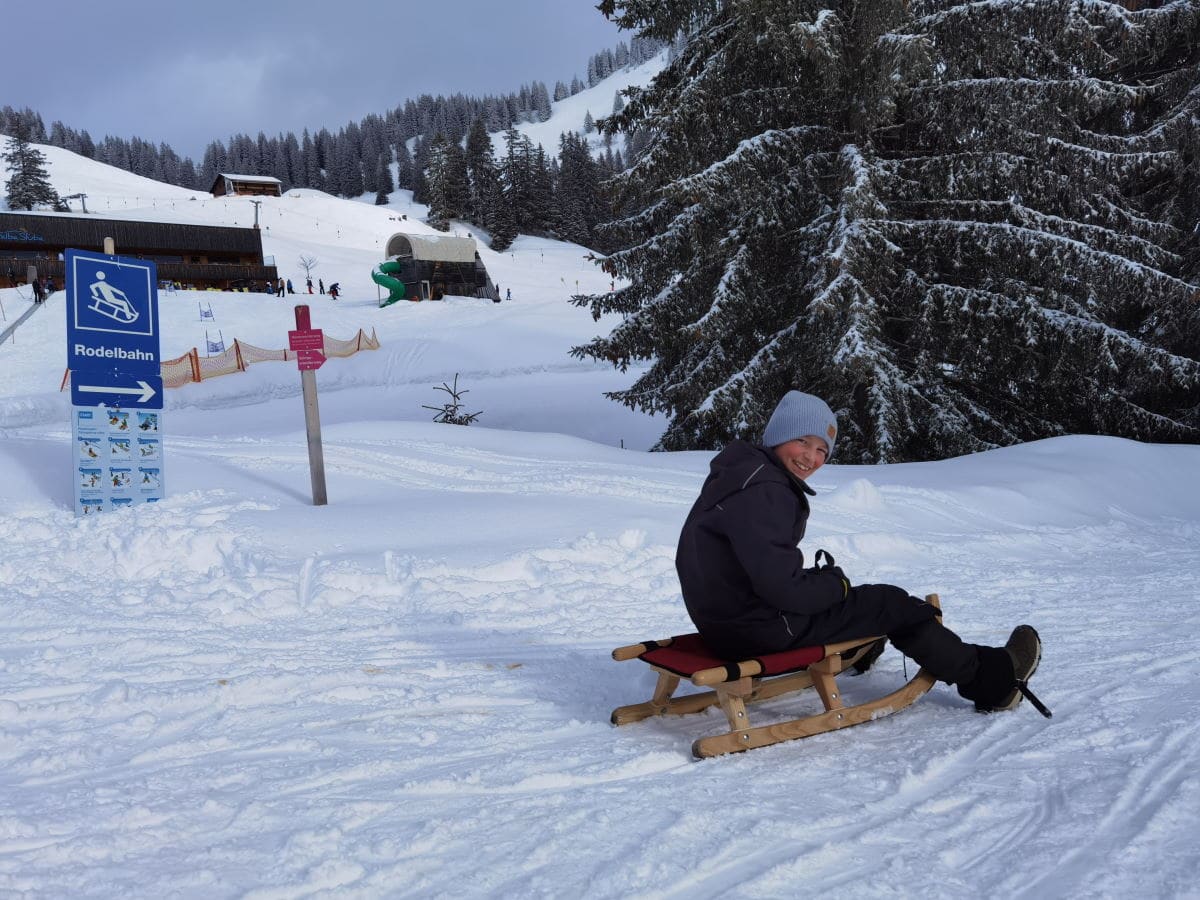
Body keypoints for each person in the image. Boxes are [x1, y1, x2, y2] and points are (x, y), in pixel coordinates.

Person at [675, 390, 1048, 716]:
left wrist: (824, 585)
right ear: (779, 436)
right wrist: (835, 586)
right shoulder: (765, 490)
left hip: (724, 624)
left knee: (855, 596)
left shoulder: (740, 474)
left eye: (822, 449)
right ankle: (994, 681)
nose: (811, 457)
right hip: (760, 631)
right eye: (803, 441)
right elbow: (784, 589)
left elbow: (759, 568)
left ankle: (858, 645)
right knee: (890, 603)